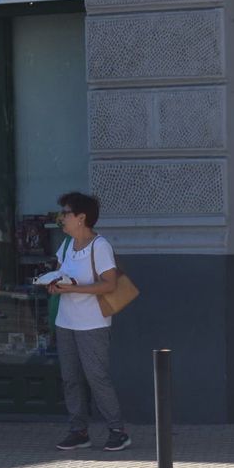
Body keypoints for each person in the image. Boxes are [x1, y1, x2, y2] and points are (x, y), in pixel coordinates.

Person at [49, 191, 130, 452]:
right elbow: (62, 275)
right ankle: (78, 430)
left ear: (81, 218)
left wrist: (73, 289)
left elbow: (110, 284)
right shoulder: (65, 245)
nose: (61, 218)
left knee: (97, 378)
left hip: (93, 323)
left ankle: (118, 430)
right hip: (66, 321)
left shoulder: (100, 246)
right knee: (70, 378)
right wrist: (52, 284)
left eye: (66, 213)